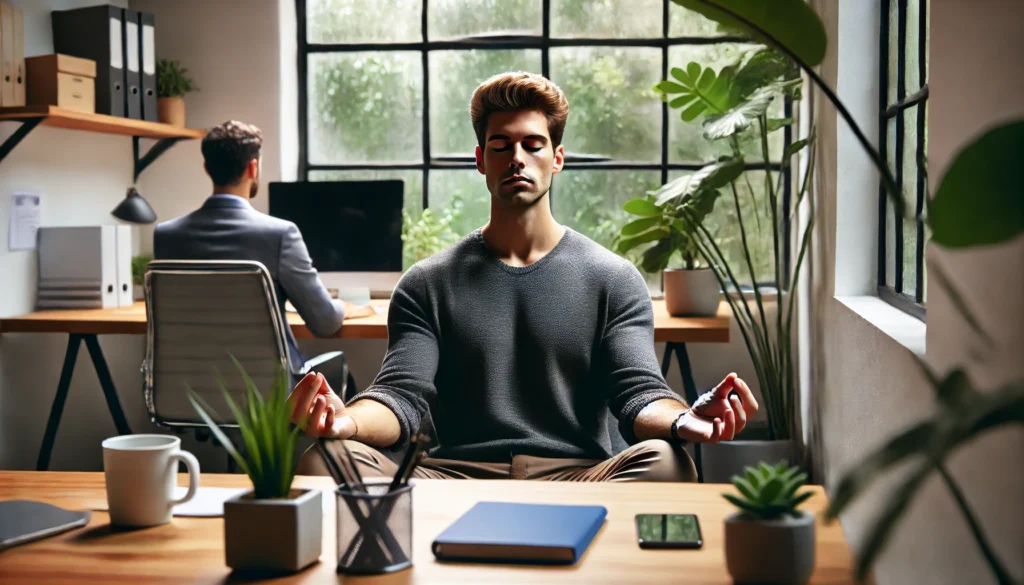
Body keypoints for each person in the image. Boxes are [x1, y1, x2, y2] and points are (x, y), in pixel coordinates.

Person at [289, 73, 758, 482]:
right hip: (453, 475)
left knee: (667, 463)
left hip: (580, 474)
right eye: (501, 146)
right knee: (324, 459)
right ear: (480, 160)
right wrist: (343, 422)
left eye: (533, 145)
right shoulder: (426, 283)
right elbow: (399, 397)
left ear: (557, 158)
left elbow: (639, 395)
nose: (517, 157)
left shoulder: (613, 278)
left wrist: (684, 422)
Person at [154, 120, 374, 375]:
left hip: (188, 393)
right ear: (252, 167)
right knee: (339, 377)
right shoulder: (280, 235)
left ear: (207, 168)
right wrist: (344, 306)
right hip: (268, 400)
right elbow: (325, 323)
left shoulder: (166, 236)